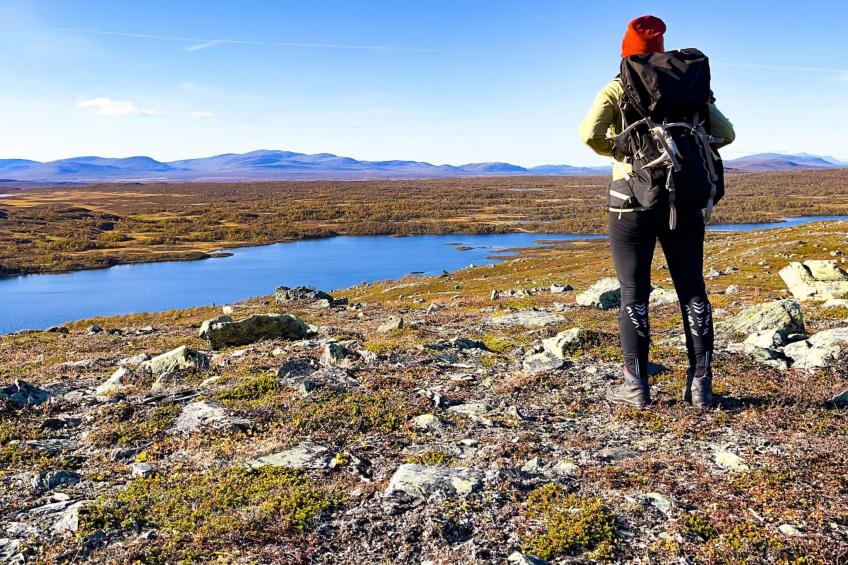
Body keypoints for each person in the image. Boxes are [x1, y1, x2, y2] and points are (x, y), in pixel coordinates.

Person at [578, 15, 735, 409]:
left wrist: (625, 150)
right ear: (661, 51)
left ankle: (636, 387)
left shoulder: (619, 86)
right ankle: (701, 386)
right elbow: (728, 134)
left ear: (625, 51)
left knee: (634, 291)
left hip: (629, 202)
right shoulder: (689, 87)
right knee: (692, 289)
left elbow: (589, 134)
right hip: (683, 199)